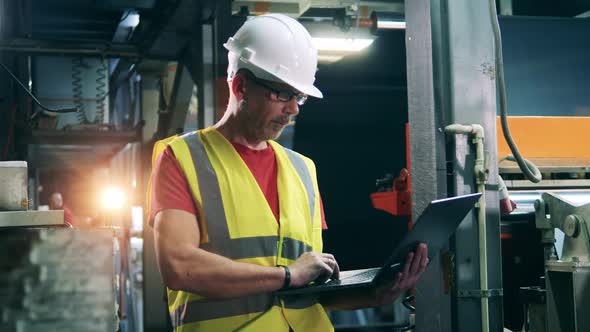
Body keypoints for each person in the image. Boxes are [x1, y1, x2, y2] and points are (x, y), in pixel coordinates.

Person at [148, 14, 429, 331]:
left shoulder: (303, 169)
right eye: (283, 94)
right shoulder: (182, 158)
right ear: (241, 86)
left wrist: (375, 294)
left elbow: (308, 292)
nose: (293, 108)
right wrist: (287, 275)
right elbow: (179, 266)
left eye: (299, 97)